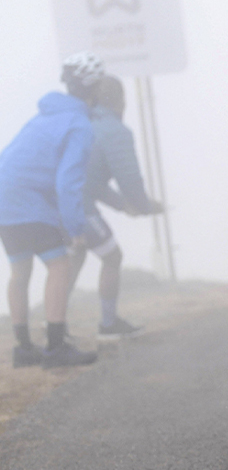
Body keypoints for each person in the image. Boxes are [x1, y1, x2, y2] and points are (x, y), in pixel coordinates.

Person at [0, 52, 105, 368]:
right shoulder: (79, 124)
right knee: (60, 267)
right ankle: (56, 348)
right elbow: (67, 183)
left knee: (20, 271)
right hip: (28, 199)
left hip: (4, 197)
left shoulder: (45, 116)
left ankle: (24, 350)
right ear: (94, 88)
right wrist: (75, 229)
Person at [67, 75, 164, 340]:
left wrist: (122, 205)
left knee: (75, 256)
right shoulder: (115, 131)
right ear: (121, 101)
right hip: (78, 205)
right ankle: (108, 324)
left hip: (56, 201)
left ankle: (56, 325)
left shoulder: (83, 123)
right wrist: (144, 206)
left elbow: (93, 181)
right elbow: (129, 180)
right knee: (112, 256)